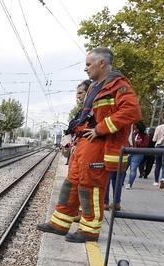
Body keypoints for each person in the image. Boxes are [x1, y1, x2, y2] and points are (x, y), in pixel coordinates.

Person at [36, 47, 141, 243]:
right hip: (86, 143)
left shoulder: (119, 85)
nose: (85, 69)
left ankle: (90, 230)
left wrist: (101, 129)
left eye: (88, 64)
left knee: (90, 186)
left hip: (101, 144)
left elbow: (131, 112)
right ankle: (60, 223)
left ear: (102, 63)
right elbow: (89, 116)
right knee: (72, 182)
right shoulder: (94, 87)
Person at [125, 122, 149, 189]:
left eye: (136, 128)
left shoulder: (145, 136)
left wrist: (135, 144)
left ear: (140, 128)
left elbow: (145, 145)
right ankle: (120, 182)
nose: (135, 129)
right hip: (129, 152)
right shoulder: (133, 134)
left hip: (138, 154)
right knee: (124, 168)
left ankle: (129, 184)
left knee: (133, 169)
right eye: (134, 128)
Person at [152, 123, 164, 188]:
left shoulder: (158, 127)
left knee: (157, 165)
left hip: (158, 146)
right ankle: (163, 178)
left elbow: (154, 139)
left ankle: (156, 181)